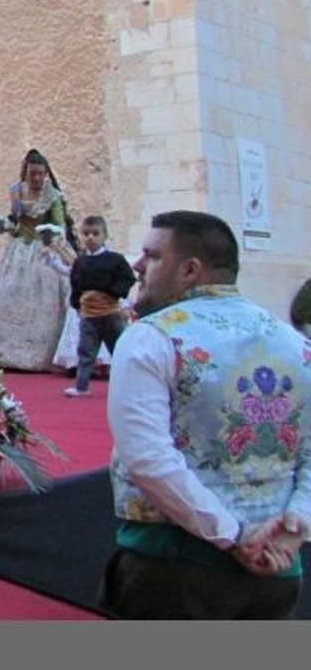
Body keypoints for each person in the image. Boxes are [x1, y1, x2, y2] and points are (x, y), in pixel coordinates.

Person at [103, 210, 311, 619]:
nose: (138, 266)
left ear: (190, 270)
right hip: (277, 567)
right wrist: (293, 526)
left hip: (173, 565)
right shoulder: (295, 344)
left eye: (152, 256)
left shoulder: (151, 337)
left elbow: (147, 458)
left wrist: (234, 537)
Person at [0, 149, 74, 371]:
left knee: (42, 301)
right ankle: (5, 353)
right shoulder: (17, 192)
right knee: (9, 295)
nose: (37, 179)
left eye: (41, 174)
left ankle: (39, 354)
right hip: (19, 250)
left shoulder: (53, 196)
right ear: (26, 173)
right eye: (33, 174)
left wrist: (51, 235)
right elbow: (15, 221)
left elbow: (60, 225)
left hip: (43, 250)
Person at [61, 215, 135, 397]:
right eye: (86, 234)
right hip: (89, 316)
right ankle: (81, 386)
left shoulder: (115, 259)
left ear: (105, 236)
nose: (91, 238)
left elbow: (128, 278)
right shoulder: (80, 262)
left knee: (119, 350)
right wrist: (77, 304)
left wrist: (113, 292)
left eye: (95, 233)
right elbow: (75, 283)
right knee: (86, 352)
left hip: (111, 314)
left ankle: (128, 387)